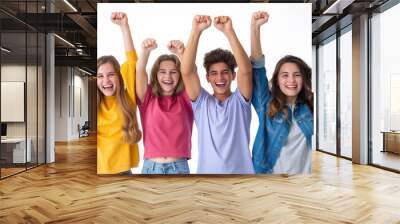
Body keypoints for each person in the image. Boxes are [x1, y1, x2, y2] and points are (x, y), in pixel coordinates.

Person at [181, 15, 254, 174]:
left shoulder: (240, 102)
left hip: (241, 180)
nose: (220, 78)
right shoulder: (201, 103)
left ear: (233, 76)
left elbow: (246, 71)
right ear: (207, 78)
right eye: (214, 73)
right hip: (207, 182)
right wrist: (196, 31)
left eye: (225, 72)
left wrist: (229, 32)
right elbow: (186, 72)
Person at [250, 11, 314, 174]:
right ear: (277, 80)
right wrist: (255, 28)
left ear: (304, 78)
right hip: (269, 181)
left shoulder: (311, 106)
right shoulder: (267, 105)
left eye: (297, 75)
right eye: (285, 75)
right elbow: (257, 69)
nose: (291, 80)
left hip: (305, 183)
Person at [135, 38, 194, 174]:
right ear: (156, 74)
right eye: (162, 72)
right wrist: (145, 52)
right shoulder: (148, 97)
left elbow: (190, 72)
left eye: (173, 72)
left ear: (180, 75)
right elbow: (140, 71)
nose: (168, 76)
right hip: (151, 167)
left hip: (179, 167)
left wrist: (182, 54)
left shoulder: (185, 97)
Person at [97, 12, 142, 174]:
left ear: (119, 76)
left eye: (111, 75)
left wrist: (124, 26)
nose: (106, 81)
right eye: (100, 76)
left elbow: (132, 62)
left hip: (123, 172)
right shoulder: (95, 106)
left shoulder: (127, 98)